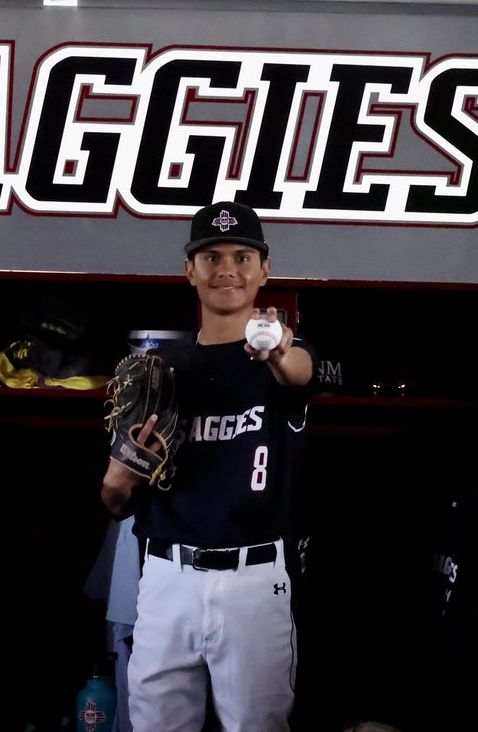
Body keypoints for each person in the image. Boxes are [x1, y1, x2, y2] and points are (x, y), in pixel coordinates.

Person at [100, 201, 317, 731]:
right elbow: (114, 501)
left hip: (254, 578)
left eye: (244, 256)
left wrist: (275, 350)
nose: (227, 269)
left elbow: (300, 372)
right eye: (212, 256)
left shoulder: (283, 358)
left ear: (264, 270)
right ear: (189, 270)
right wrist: (119, 478)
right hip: (166, 577)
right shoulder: (160, 372)